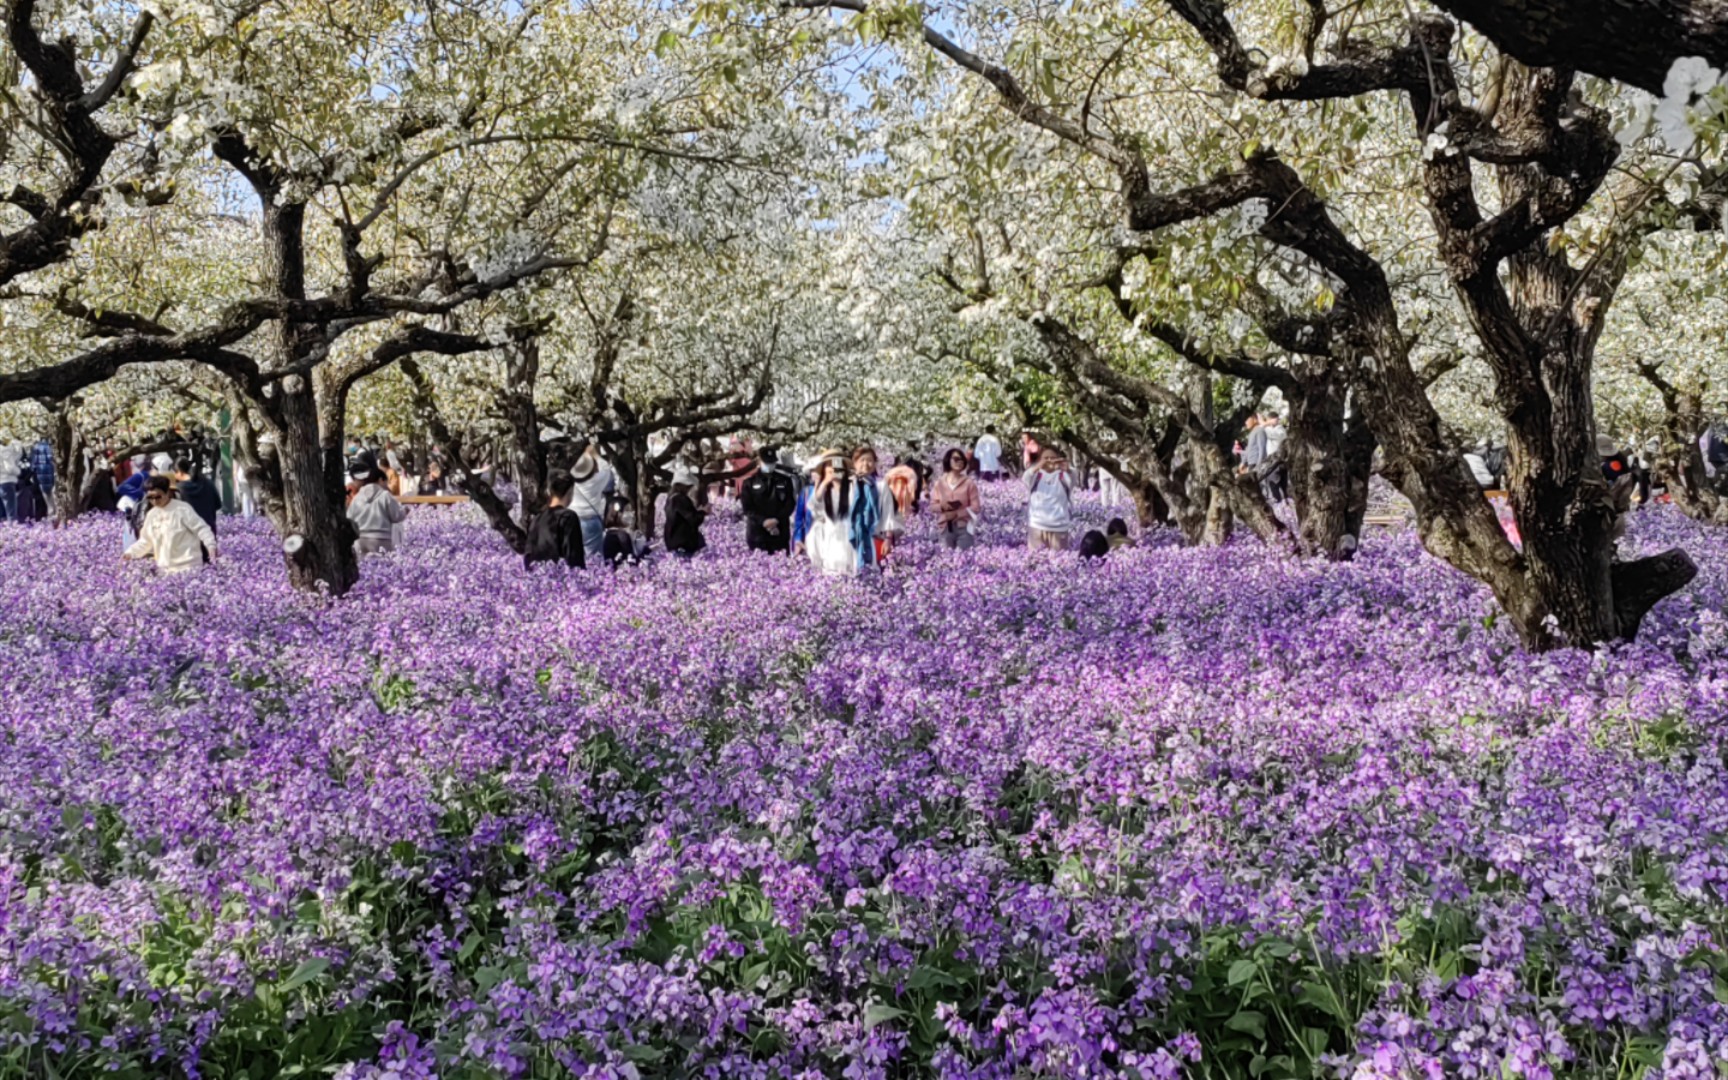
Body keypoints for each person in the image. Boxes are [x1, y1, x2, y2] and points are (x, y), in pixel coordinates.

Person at [123, 476, 217, 573]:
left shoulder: (182, 509)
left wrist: (210, 546)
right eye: (150, 497)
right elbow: (145, 541)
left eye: (158, 496)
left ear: (168, 493)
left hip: (188, 568)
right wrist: (130, 553)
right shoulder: (151, 514)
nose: (154, 501)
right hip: (165, 569)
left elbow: (201, 529)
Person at [803, 449, 858, 575]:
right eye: (830, 465)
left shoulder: (852, 487)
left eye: (838, 465)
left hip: (849, 537)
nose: (835, 469)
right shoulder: (824, 490)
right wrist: (824, 482)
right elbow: (814, 507)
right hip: (831, 539)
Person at [740, 445, 798, 554]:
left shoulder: (785, 480)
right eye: (766, 462)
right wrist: (764, 521)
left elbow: (790, 503)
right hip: (757, 533)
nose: (769, 465)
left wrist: (776, 520)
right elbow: (747, 508)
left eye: (772, 462)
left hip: (780, 531)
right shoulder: (749, 482)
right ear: (759, 462)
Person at [523, 470, 586, 569]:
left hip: (537, 577)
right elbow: (573, 556)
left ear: (550, 491)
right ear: (570, 491)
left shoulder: (537, 518)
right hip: (560, 578)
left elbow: (528, 554)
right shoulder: (568, 517)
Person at [347, 454, 406, 556]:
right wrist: (404, 511)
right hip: (381, 538)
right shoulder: (385, 496)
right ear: (380, 480)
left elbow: (349, 516)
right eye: (385, 482)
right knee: (383, 566)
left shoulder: (358, 497)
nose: (386, 485)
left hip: (361, 538)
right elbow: (396, 516)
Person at [1024, 447, 1076, 550]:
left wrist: (1068, 469)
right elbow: (1025, 478)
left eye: (1053, 458)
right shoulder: (1036, 475)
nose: (1049, 461)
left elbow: (1073, 479)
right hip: (1037, 525)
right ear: (1040, 459)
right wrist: (1038, 466)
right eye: (1046, 458)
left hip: (1059, 526)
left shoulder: (1063, 475)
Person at [568, 444, 614, 561]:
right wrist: (594, 454)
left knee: (573, 557)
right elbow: (606, 469)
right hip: (591, 521)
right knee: (594, 558)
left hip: (571, 520)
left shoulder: (569, 480)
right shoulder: (595, 480)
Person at [930, 447, 982, 550]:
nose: (960, 462)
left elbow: (976, 507)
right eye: (956, 459)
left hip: (964, 527)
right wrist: (942, 506)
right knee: (946, 559)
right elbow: (932, 506)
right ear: (948, 461)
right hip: (945, 528)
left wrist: (958, 514)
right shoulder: (939, 483)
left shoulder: (969, 483)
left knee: (964, 557)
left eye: (962, 459)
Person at [849, 446, 889, 566]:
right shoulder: (849, 484)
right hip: (851, 537)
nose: (866, 464)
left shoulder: (881, 485)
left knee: (873, 573)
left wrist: (888, 539)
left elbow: (888, 514)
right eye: (862, 460)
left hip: (874, 536)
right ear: (855, 463)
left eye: (870, 460)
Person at [663, 467, 706, 556]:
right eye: (689, 486)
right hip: (682, 543)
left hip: (672, 541)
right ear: (683, 486)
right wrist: (703, 512)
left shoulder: (670, 499)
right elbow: (693, 519)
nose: (689, 489)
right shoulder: (680, 499)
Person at [601, 496, 650, 567]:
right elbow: (632, 562)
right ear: (618, 514)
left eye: (631, 510)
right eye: (627, 510)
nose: (632, 513)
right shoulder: (622, 535)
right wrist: (647, 551)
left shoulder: (607, 533)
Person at [30, 437, 54, 505]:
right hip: (52, 472)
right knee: (54, 493)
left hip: (40, 473)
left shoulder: (36, 447)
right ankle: (56, 511)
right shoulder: (51, 446)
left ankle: (50, 511)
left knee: (45, 493)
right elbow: (52, 460)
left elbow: (33, 464)